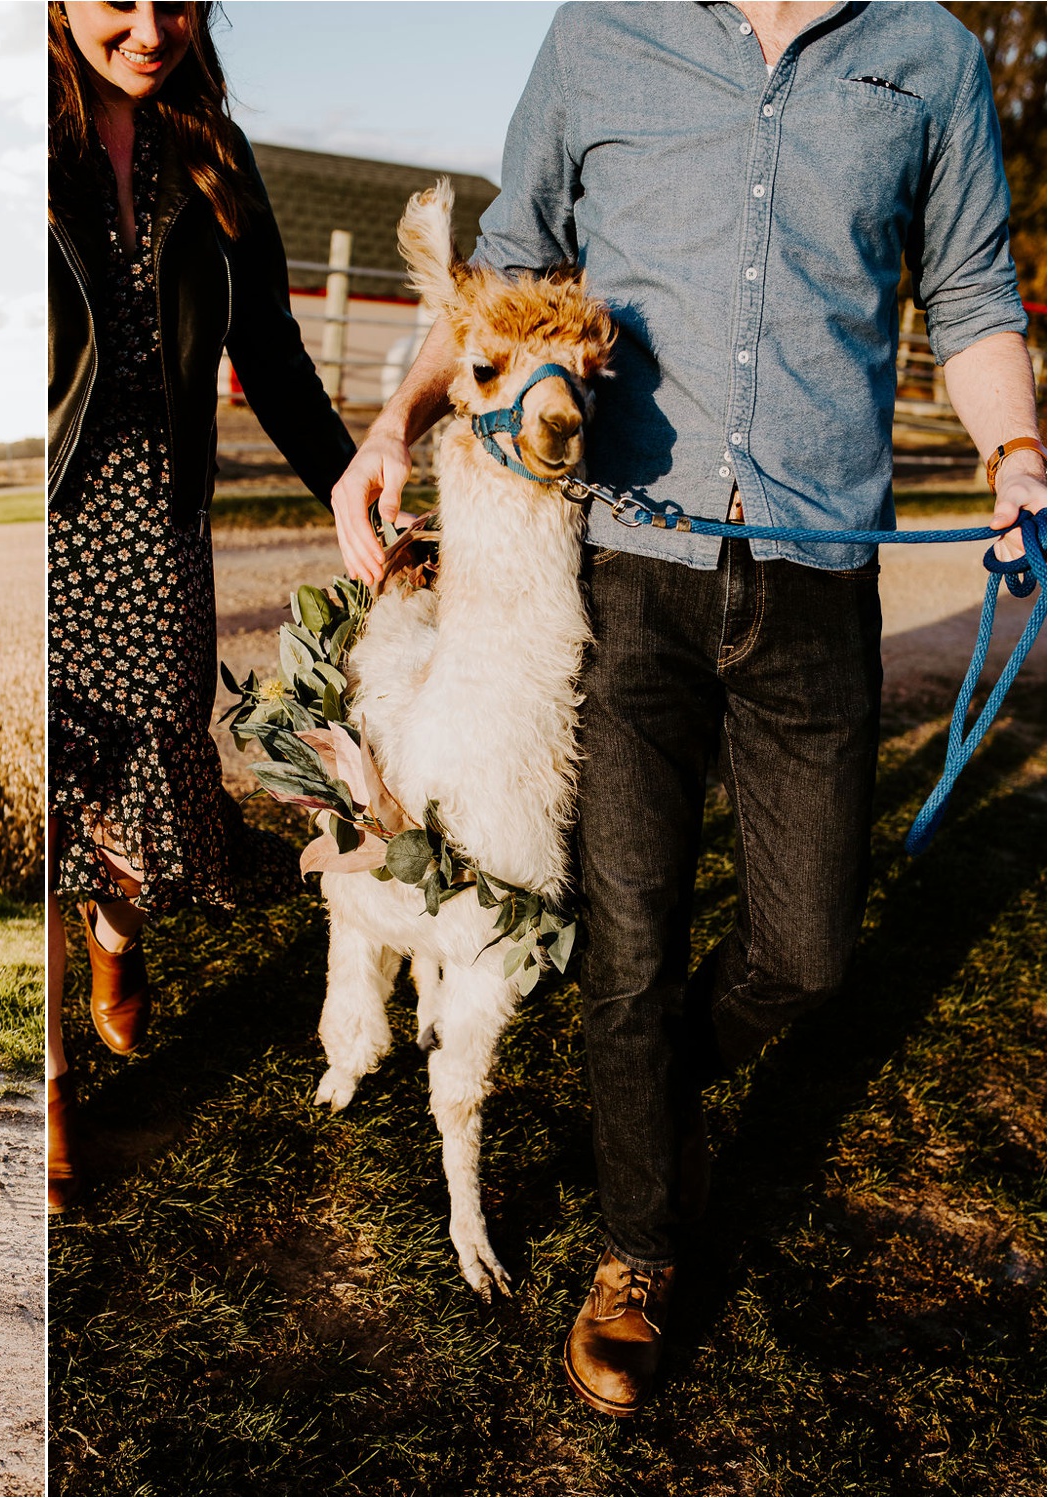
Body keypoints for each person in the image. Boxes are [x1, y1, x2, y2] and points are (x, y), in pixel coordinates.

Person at [330, 0, 1045, 1416]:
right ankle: (637, 1246)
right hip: (625, 575)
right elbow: (505, 268)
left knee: (805, 951)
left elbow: (965, 293)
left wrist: (1017, 451)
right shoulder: (600, 30)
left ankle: (645, 1089)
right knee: (632, 931)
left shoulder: (927, 54)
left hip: (817, 568)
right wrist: (390, 424)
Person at [47, 0, 357, 1212]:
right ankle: (53, 1080)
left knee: (138, 783)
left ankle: (114, 932)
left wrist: (346, 488)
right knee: (47, 791)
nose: (148, 25)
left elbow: (271, 348)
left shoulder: (213, 153)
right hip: (50, 515)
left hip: (156, 523)